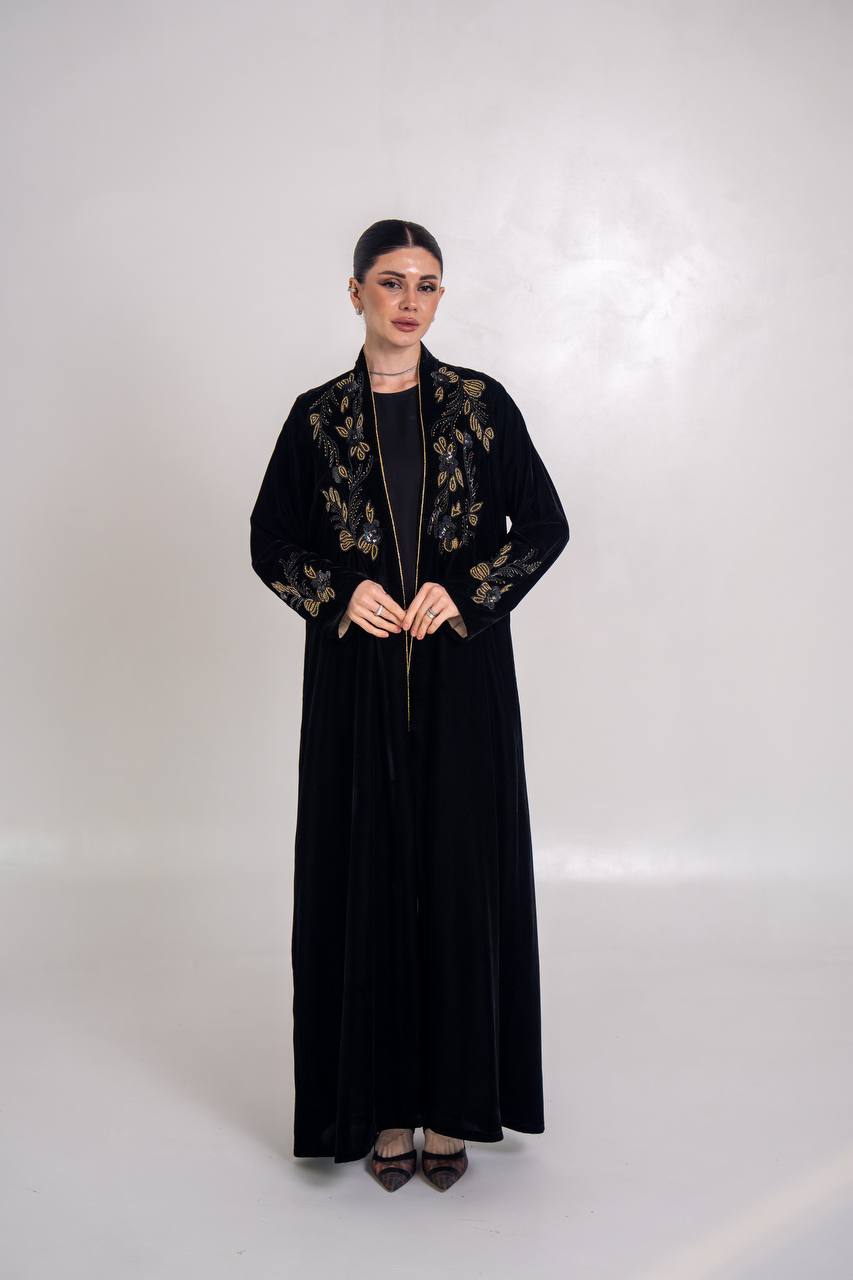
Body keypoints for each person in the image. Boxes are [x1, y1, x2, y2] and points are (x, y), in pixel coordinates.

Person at [249, 219, 570, 1191]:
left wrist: (464, 592)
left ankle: (456, 1102)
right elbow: (270, 538)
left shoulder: (479, 404)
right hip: (355, 684)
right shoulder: (317, 418)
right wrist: (339, 592)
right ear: (355, 292)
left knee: (458, 876)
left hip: (461, 677)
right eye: (390, 282)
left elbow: (542, 524)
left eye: (426, 284)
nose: (409, 301)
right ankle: (384, 1109)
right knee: (366, 878)